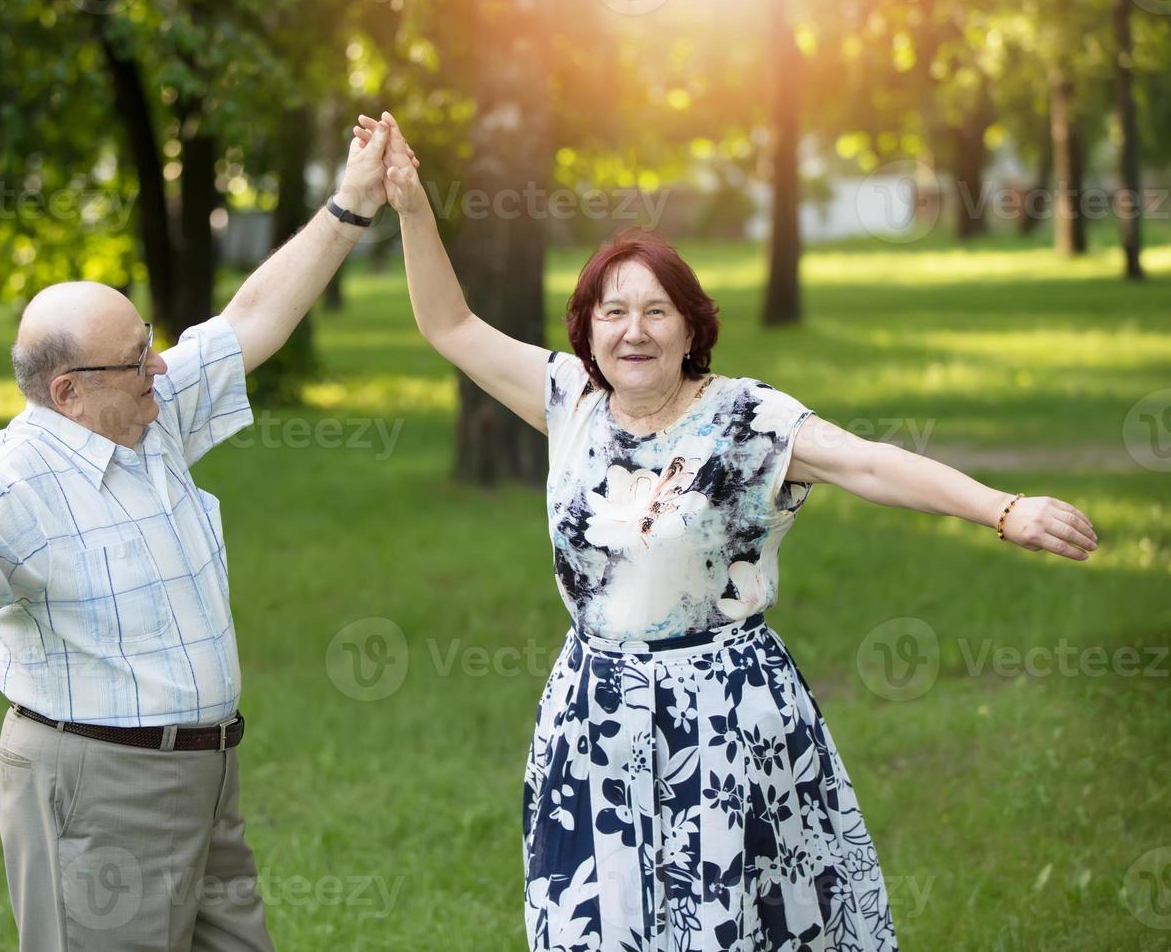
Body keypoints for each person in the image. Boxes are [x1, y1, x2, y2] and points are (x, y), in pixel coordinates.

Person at [356, 112, 1099, 951]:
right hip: (593, 720)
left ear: (690, 326)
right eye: (613, 312)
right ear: (587, 327)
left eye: (656, 312)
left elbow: (871, 464)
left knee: (727, 928)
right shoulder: (569, 401)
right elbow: (449, 326)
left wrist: (1003, 509)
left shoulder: (747, 419)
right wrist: (412, 205)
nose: (633, 331)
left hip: (723, 723)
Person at [0, 120, 414, 951]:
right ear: (68, 391)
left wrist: (351, 202)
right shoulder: (19, 475)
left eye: (151, 345)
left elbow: (255, 316)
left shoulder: (143, 414)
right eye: (137, 358)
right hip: (97, 790)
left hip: (207, 780)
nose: (158, 366)